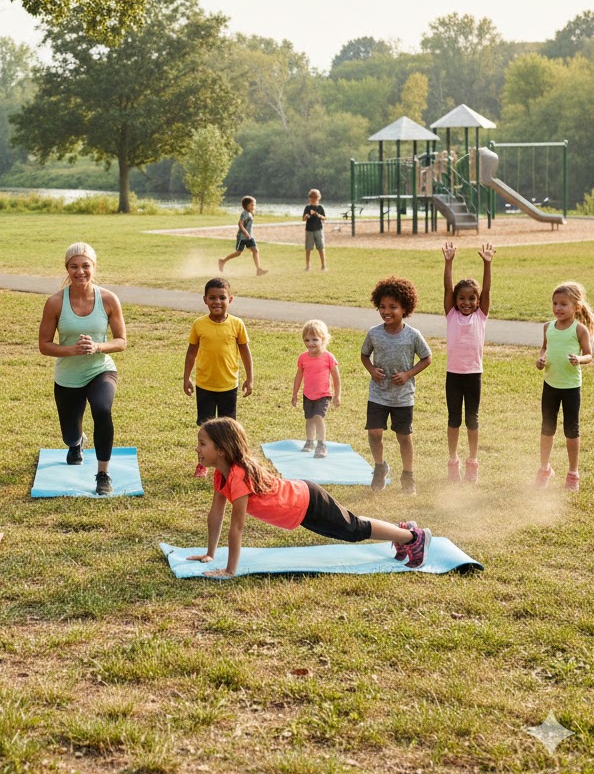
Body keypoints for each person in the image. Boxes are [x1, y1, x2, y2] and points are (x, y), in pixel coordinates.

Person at [186, 417, 431, 577]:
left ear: (221, 449)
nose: (197, 448)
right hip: (300, 506)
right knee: (353, 525)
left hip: (306, 503)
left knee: (353, 530)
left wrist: (230, 570)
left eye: (202, 443)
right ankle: (403, 531)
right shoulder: (221, 474)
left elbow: (236, 527)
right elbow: (216, 514)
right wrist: (210, 553)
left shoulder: (238, 475)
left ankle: (412, 536)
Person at [38, 242, 126, 495]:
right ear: (67, 268)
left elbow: (121, 341)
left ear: (94, 267)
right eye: (74, 266)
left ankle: (103, 474)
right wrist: (72, 350)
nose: (80, 272)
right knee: (69, 433)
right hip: (68, 376)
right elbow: (44, 345)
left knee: (102, 409)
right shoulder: (55, 302)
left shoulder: (108, 299)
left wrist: (98, 347)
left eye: (85, 266)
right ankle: (76, 443)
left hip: (101, 369)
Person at [360, 276, 432, 495]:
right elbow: (364, 355)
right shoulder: (374, 333)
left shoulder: (413, 335)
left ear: (405, 308)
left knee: (403, 437)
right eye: (382, 306)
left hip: (402, 396)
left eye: (393, 306)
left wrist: (408, 374)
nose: (386, 311)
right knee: (374, 433)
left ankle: (408, 475)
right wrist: (372, 370)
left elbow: (427, 358)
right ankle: (380, 467)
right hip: (378, 394)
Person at [183, 277, 253, 478]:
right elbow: (191, 353)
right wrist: (186, 378)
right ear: (205, 300)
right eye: (212, 297)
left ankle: (231, 466)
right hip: (204, 385)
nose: (217, 302)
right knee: (205, 430)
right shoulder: (199, 325)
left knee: (228, 429)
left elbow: (245, 352)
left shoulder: (237, 324)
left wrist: (250, 378)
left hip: (228, 386)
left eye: (222, 297)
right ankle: (203, 464)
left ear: (230, 299)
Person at [534, 282, 594, 492]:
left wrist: (579, 359)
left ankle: (573, 474)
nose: (558, 308)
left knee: (571, 430)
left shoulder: (579, 329)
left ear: (576, 307)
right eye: (555, 303)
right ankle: (544, 469)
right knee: (547, 429)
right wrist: (540, 359)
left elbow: (589, 354)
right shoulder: (547, 327)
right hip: (550, 384)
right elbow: (544, 348)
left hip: (571, 387)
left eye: (563, 304)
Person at [442, 243, 494, 484]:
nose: (466, 302)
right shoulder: (451, 314)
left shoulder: (480, 315)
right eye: (461, 298)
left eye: (471, 298)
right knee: (454, 419)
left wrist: (487, 263)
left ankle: (473, 462)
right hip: (453, 375)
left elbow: (487, 291)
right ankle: (453, 461)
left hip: (474, 375)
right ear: (455, 300)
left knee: (472, 419)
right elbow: (447, 288)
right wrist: (449, 262)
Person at [291, 319, 341, 458]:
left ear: (323, 339)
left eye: (315, 339)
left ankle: (321, 444)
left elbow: (336, 377)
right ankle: (309, 441)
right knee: (309, 419)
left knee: (318, 417)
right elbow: (299, 375)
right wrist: (294, 394)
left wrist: (337, 395)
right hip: (308, 395)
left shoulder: (328, 357)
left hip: (323, 394)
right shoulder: (303, 358)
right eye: (307, 340)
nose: (310, 343)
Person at [218, 196, 267, 276]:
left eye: (254, 205)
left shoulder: (250, 213)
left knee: (255, 250)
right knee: (238, 253)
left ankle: (258, 269)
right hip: (242, 237)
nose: (253, 206)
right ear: (246, 205)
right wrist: (246, 233)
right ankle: (223, 261)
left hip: (250, 237)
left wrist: (249, 234)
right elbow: (240, 224)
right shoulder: (244, 213)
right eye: (251, 205)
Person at [303, 189, 327, 271]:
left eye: (315, 197)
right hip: (309, 230)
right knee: (308, 248)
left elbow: (324, 218)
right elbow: (303, 219)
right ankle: (308, 266)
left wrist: (318, 215)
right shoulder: (307, 208)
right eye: (311, 197)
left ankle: (323, 266)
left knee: (321, 247)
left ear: (319, 198)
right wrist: (307, 216)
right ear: (309, 198)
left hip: (318, 229)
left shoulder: (320, 208)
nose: (313, 198)